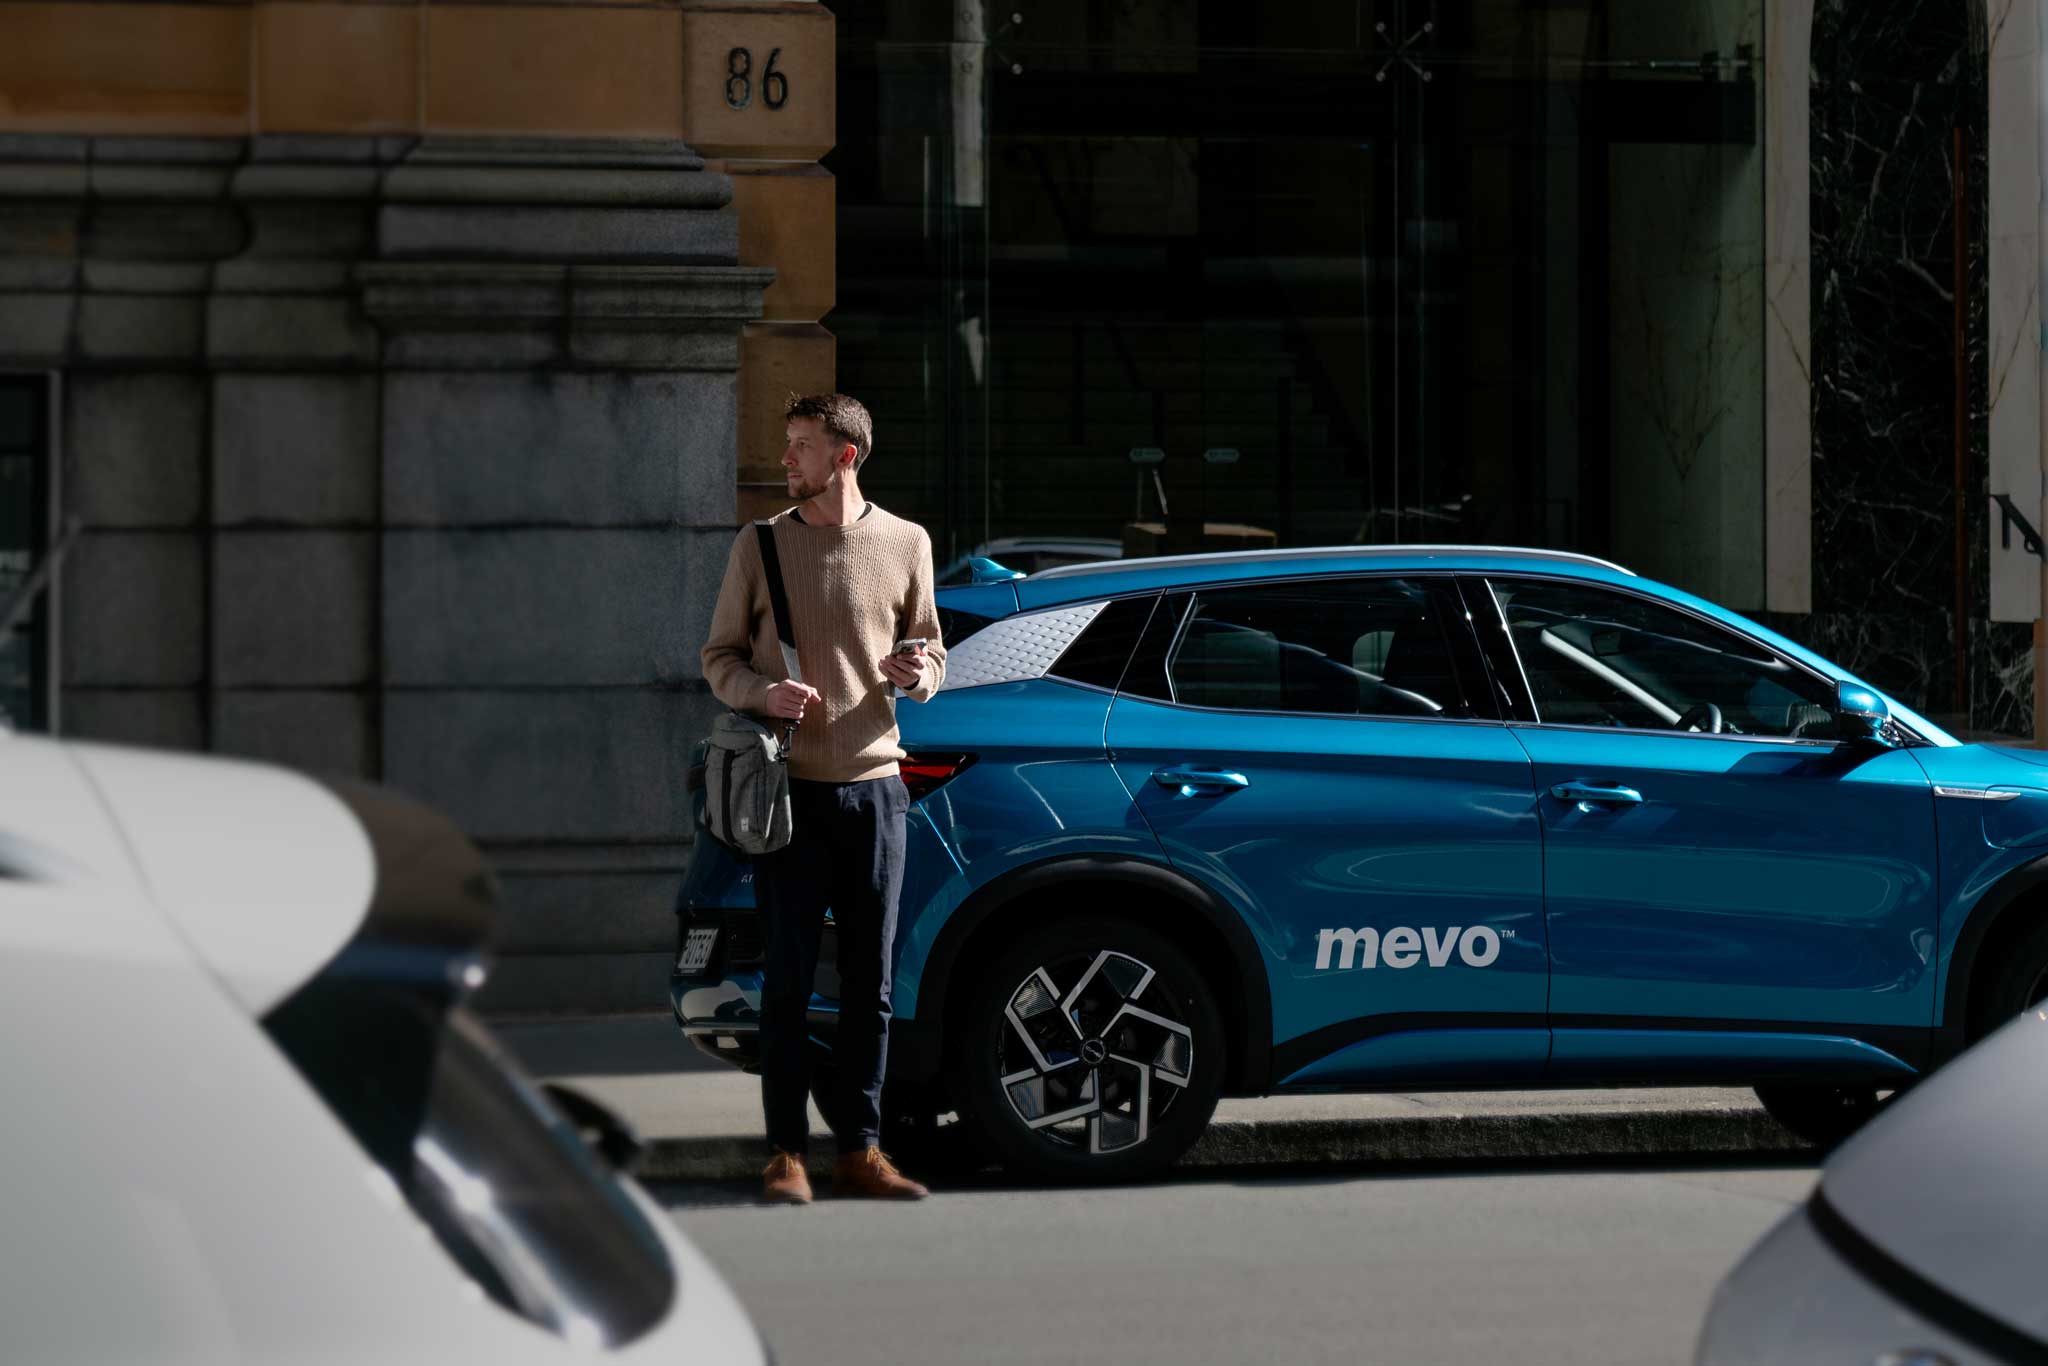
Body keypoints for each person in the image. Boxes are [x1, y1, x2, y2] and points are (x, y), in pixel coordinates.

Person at [700, 392, 947, 1204]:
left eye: (801, 445)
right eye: (788, 444)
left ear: (846, 455)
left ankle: (862, 1150)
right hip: (789, 795)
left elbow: (932, 653)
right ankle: (784, 1154)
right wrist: (762, 695)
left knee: (872, 982)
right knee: (790, 980)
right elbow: (718, 657)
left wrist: (920, 676)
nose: (787, 460)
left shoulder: (907, 541)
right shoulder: (761, 544)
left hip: (878, 792)